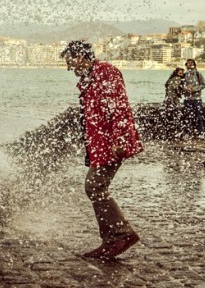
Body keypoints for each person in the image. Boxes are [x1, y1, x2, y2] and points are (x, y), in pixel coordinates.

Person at [60, 40, 143, 259]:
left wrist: (120, 141)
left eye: (71, 62)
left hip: (112, 144)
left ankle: (121, 234)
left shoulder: (106, 72)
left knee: (95, 185)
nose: (70, 68)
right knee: (95, 186)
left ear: (82, 57)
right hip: (100, 144)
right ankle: (112, 239)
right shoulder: (89, 78)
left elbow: (119, 108)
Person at [182, 59, 205, 138]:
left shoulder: (198, 73)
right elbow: (181, 85)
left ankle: (200, 133)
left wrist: (194, 89)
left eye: (191, 63)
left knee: (199, 116)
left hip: (197, 98)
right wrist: (185, 89)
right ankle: (187, 133)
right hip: (187, 99)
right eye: (188, 63)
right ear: (186, 65)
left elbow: (203, 85)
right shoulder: (184, 74)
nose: (189, 64)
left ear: (194, 64)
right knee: (187, 116)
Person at [161, 67, 185, 138]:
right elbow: (176, 88)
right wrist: (182, 92)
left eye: (182, 73)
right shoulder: (177, 79)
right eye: (180, 73)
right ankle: (177, 133)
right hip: (173, 100)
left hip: (167, 99)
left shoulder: (170, 79)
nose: (181, 74)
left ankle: (167, 133)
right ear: (176, 73)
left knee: (168, 116)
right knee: (176, 115)